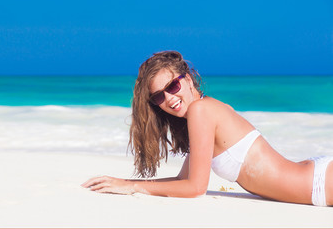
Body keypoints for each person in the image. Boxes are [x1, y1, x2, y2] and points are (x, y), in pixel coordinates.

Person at [82, 50, 332, 206]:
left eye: (172, 86)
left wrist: (132, 187)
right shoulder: (203, 114)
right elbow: (183, 180)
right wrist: (124, 182)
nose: (168, 98)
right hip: (315, 179)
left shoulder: (200, 111)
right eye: (158, 96)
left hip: (319, 182)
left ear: (188, 79)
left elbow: (195, 188)